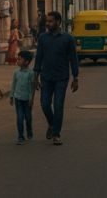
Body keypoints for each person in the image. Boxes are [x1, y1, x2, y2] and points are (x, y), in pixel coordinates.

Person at [34, 11, 79, 145]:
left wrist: (75, 77)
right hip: (46, 77)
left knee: (58, 105)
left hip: (61, 77)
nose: (47, 24)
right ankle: (52, 124)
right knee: (45, 104)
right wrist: (35, 75)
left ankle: (56, 134)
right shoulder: (43, 38)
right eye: (47, 21)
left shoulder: (68, 39)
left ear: (58, 22)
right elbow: (39, 57)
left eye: (50, 21)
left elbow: (73, 59)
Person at [10, 50, 35, 145]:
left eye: (20, 59)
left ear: (27, 62)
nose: (17, 61)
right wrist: (11, 96)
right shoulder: (16, 72)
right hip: (18, 99)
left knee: (28, 117)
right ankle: (20, 136)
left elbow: (32, 87)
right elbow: (14, 85)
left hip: (27, 100)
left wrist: (31, 99)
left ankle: (29, 129)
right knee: (19, 118)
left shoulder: (31, 73)